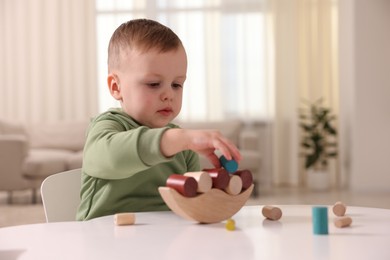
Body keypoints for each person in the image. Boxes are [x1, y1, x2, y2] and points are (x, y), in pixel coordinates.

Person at [76, 19, 241, 220]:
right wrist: (179, 139)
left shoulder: (183, 147)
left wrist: (215, 188)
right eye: (154, 84)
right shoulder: (109, 126)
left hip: (165, 243)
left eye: (177, 85)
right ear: (116, 87)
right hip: (104, 240)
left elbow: (190, 204)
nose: (168, 95)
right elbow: (109, 157)